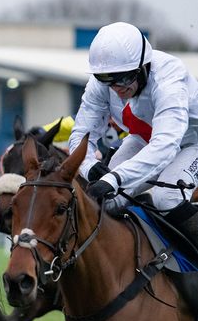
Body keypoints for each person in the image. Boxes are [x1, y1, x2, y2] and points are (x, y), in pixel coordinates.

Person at [70, 22, 198, 242]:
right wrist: (89, 167)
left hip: (189, 145)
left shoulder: (169, 79)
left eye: (124, 77)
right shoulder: (102, 82)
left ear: (143, 66)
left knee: (167, 197)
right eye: (107, 79)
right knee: (106, 201)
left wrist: (115, 177)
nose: (116, 88)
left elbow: (166, 146)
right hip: (143, 141)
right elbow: (80, 138)